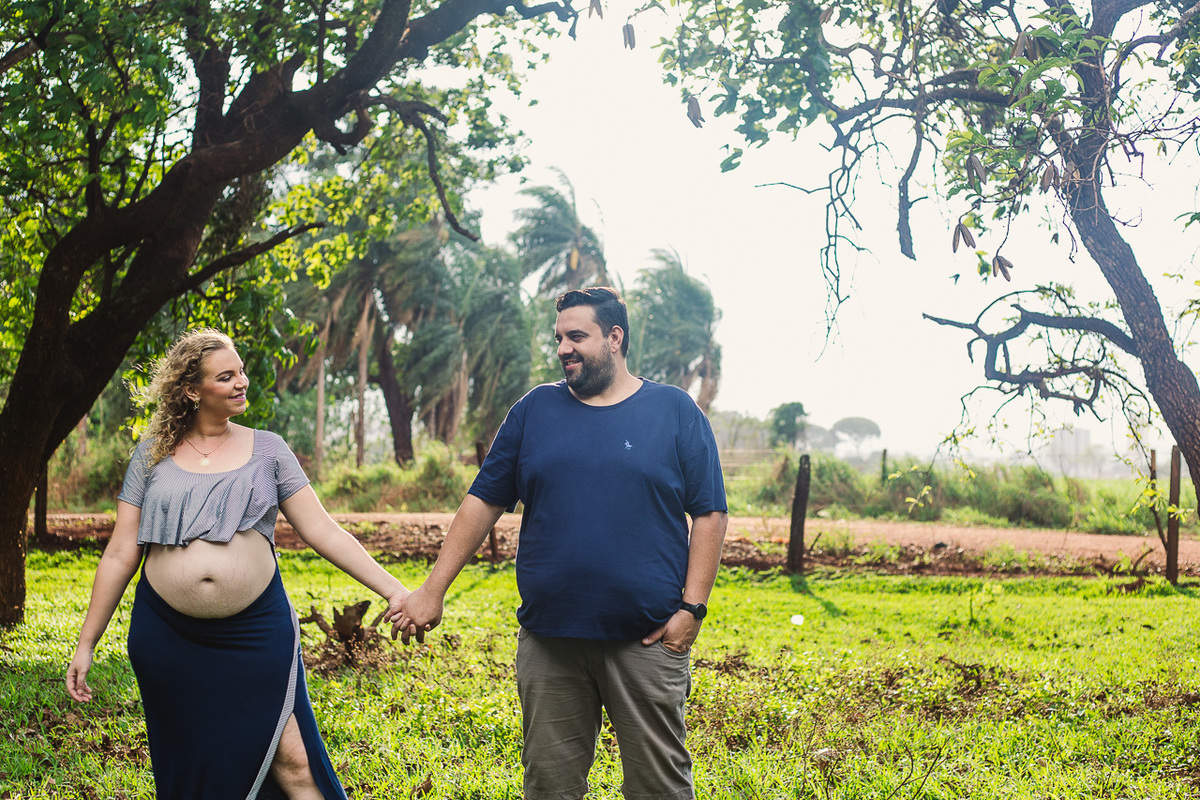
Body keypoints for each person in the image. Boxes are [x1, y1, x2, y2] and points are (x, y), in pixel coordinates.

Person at [394, 286, 728, 800]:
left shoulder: (674, 410)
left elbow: (709, 512)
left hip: (646, 640)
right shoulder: (534, 411)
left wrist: (692, 609)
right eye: (559, 338)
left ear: (615, 338)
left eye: (578, 336)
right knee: (549, 787)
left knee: (658, 787)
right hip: (550, 643)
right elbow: (482, 503)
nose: (564, 348)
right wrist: (432, 590)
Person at [66, 328, 412, 800]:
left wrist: (393, 590)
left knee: (295, 763)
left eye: (242, 372)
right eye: (226, 376)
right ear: (192, 390)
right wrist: (86, 643)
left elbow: (324, 531)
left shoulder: (268, 450)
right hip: (168, 638)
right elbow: (121, 553)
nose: (241, 382)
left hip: (254, 633)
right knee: (192, 771)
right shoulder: (151, 456)